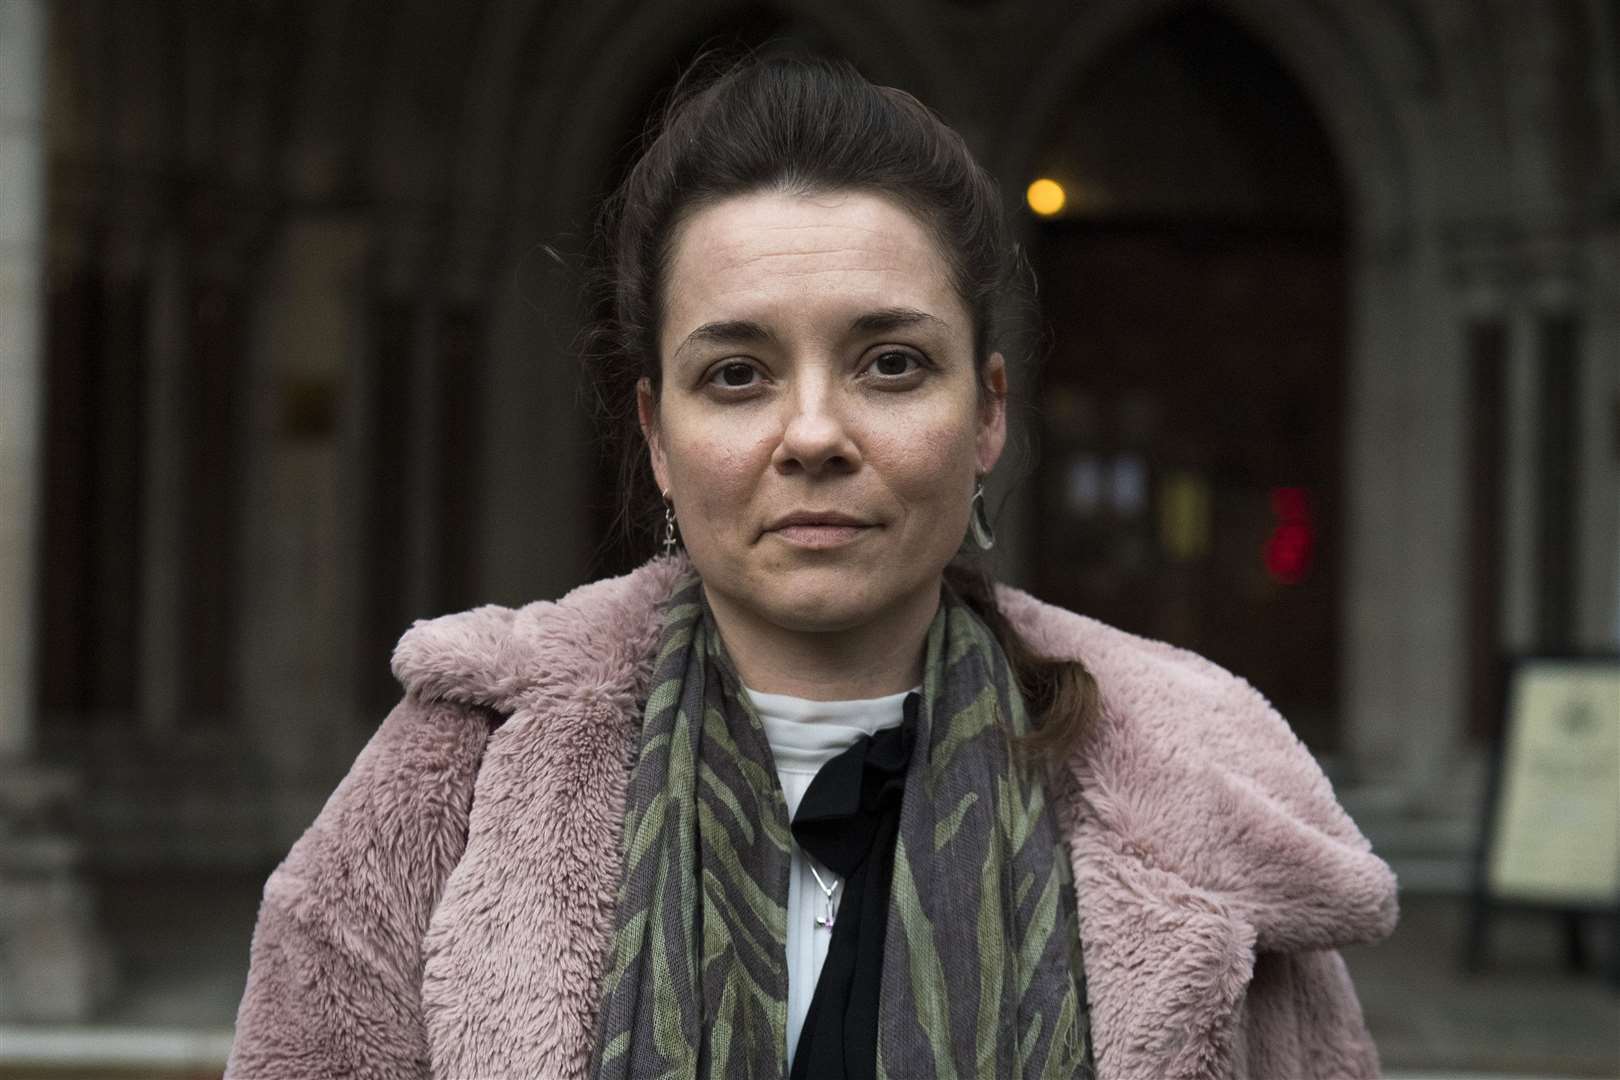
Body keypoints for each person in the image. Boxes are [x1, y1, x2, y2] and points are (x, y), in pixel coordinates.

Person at [224, 52, 1398, 1080]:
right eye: (737, 373)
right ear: (657, 436)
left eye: (890, 363)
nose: (815, 433)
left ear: (986, 415)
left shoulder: (1203, 812)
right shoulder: (450, 786)